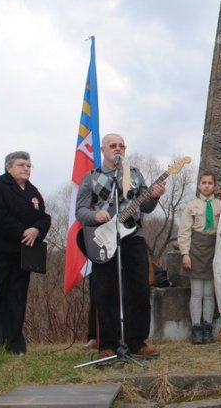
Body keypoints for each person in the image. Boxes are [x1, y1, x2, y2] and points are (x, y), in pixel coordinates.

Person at [76, 133, 166, 358]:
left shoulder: (134, 174)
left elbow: (145, 207)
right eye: (113, 146)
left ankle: (137, 342)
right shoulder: (90, 177)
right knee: (105, 290)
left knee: (140, 288)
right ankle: (108, 343)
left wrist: (154, 196)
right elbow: (81, 211)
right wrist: (96, 215)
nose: (118, 149)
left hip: (133, 235)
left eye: (121, 146)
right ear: (103, 150)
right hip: (103, 239)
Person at [0, 151, 51, 354]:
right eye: (21, 165)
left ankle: (14, 345)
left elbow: (44, 216)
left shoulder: (33, 192)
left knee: (16, 298)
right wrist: (22, 231)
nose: (26, 168)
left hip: (22, 253)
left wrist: (37, 230)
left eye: (29, 165)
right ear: (9, 168)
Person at [178, 171, 221, 344]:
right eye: (203, 183)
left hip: (214, 249)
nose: (206, 186)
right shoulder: (191, 205)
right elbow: (184, 231)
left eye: (210, 183)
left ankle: (207, 328)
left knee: (209, 293)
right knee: (197, 293)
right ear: (198, 185)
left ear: (215, 186)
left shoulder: (220, 204)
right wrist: (185, 253)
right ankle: (196, 328)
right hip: (195, 248)